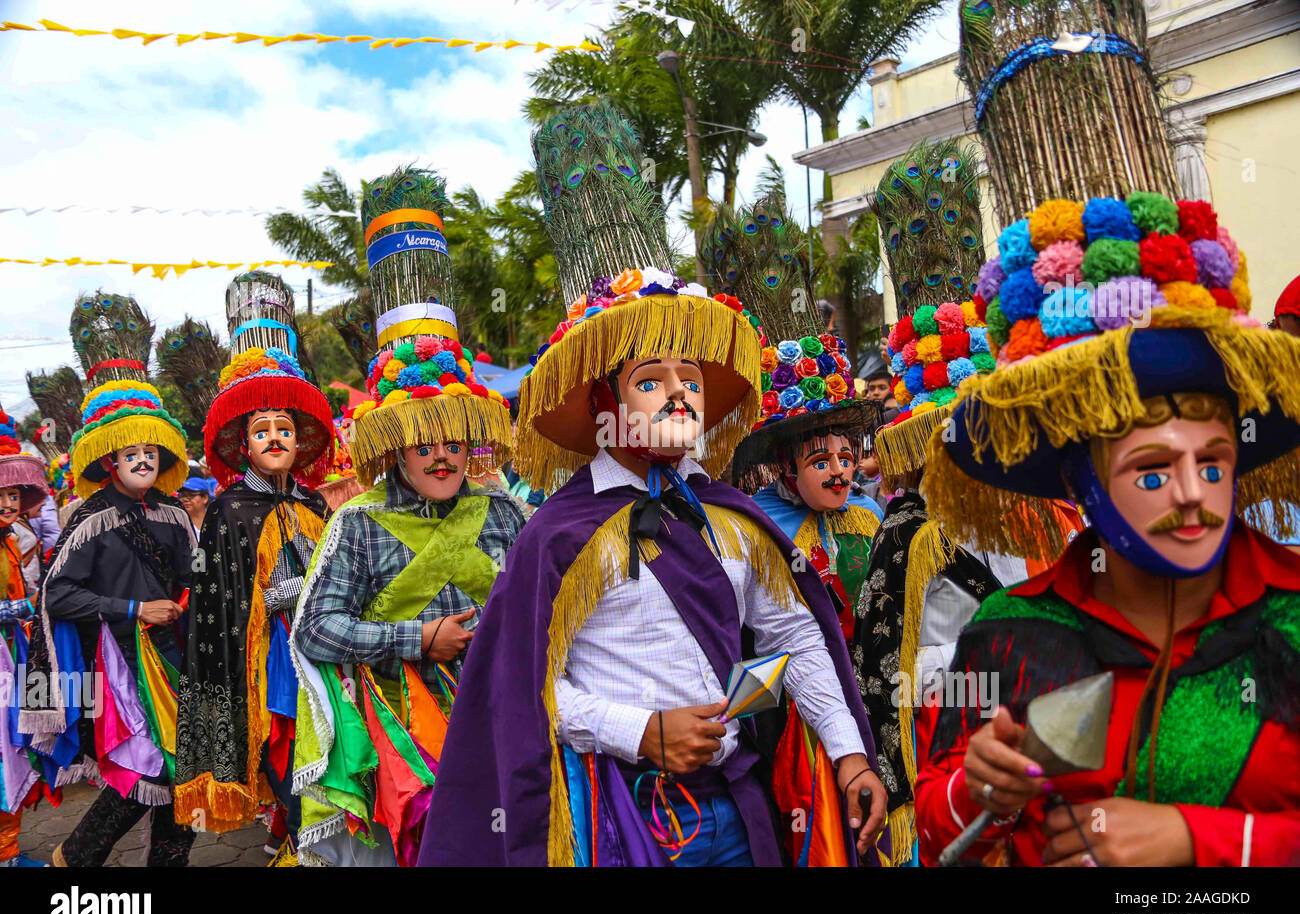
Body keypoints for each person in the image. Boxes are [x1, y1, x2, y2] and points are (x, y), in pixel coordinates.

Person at [420, 103, 885, 868]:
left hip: (742, 802)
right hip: (625, 820)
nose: (679, 395)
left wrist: (847, 753)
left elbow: (792, 633)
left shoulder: (733, 519)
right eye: (650, 379)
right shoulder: (555, 536)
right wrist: (640, 730)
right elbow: (522, 689)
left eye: (691, 377)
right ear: (605, 402)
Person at [915, 187, 1300, 866]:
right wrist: (976, 790)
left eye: (1212, 464)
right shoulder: (1008, 630)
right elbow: (938, 825)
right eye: (1152, 472)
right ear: (1078, 485)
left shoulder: (1293, 614)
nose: (1191, 496)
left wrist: (1202, 840)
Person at [290, 166, 522, 867]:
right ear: (394, 445)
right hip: (404, 733)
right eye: (426, 442)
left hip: (506, 714)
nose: (444, 456)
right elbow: (316, 629)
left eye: (455, 439)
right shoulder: (356, 523)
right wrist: (417, 637)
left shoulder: (506, 512)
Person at [702, 191, 886, 865]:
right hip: (793, 727)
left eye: (846, 456)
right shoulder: (755, 532)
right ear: (784, 467)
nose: (840, 471)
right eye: (820, 460)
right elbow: (755, 647)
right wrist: (767, 705)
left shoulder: (872, 519)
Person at [21, 291, 196, 868]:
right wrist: (131, 609)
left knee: (187, 779)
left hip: (181, 660)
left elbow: (199, 579)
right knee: (146, 770)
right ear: (107, 461)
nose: (143, 459)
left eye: (152, 449)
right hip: (122, 666)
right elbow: (57, 596)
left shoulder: (175, 516)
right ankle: (75, 856)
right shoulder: (89, 521)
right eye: (131, 451)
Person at [172, 272, 336, 860]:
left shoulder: (314, 503)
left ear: (300, 441)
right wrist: (273, 599)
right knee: (290, 765)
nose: (273, 438)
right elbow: (220, 607)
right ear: (244, 445)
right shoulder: (227, 510)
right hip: (268, 666)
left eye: (284, 430)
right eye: (261, 430)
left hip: (327, 653)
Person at [0, 412, 50, 867]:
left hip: (14, 653)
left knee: (17, 747)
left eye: (14, 494)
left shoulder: (13, 541)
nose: (8, 503)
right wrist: (21, 609)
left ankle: (9, 849)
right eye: (1, 495)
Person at [175, 470, 210, 540]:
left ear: (205, 498)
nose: (185, 499)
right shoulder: (177, 523)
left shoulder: (215, 521)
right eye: (182, 496)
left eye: (191, 495)